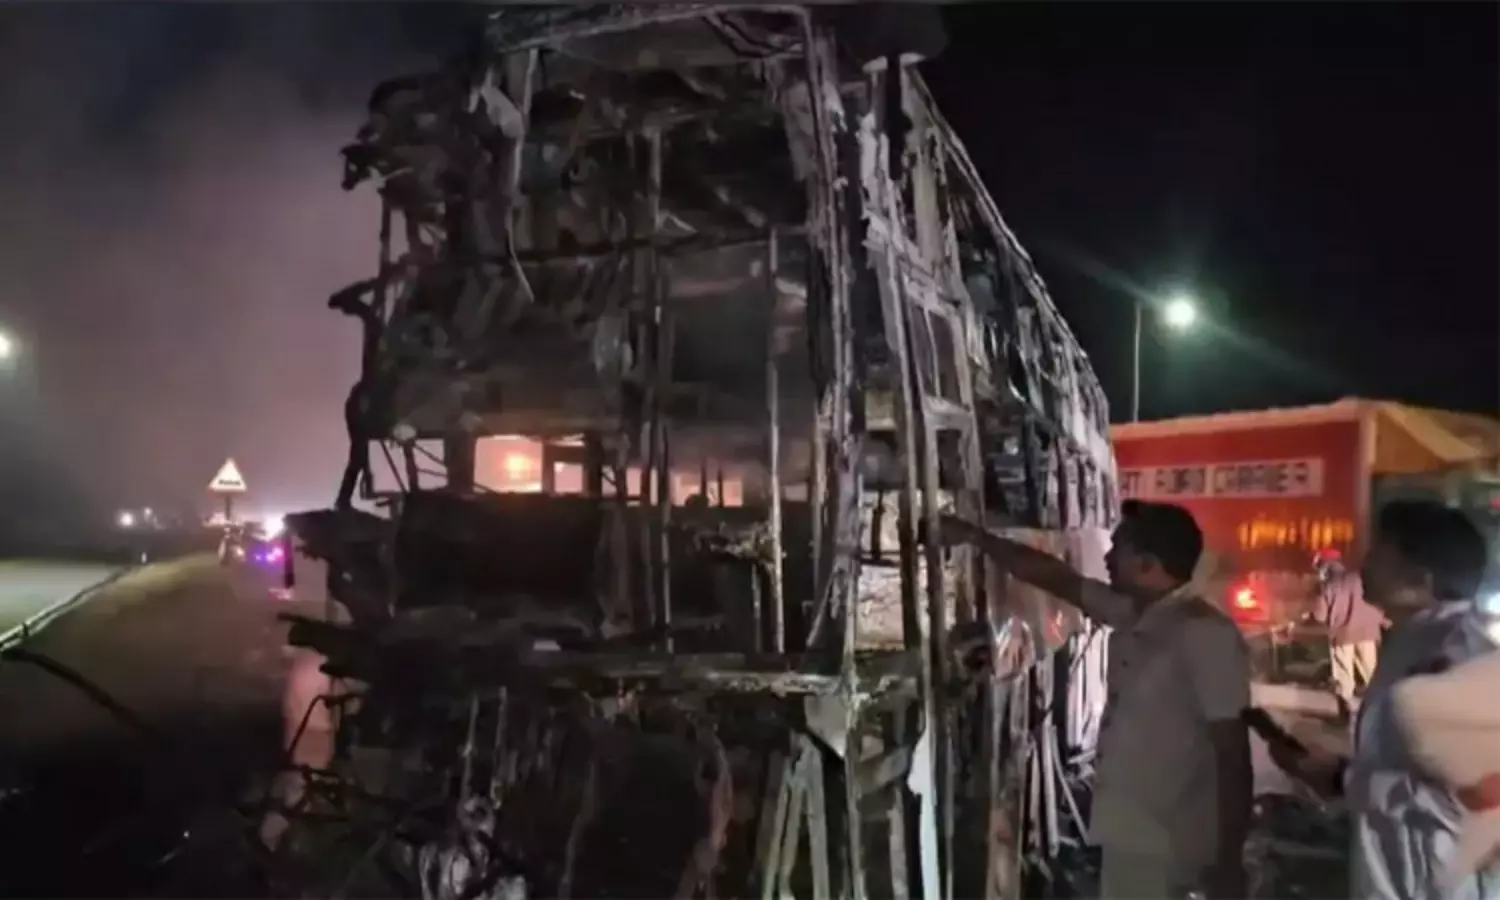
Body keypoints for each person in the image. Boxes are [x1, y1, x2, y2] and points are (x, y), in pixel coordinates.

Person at [941, 500, 1251, 899]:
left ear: (1148, 564)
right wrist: (975, 537)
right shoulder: (1135, 613)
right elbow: (1059, 579)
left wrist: (1230, 862)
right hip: (1132, 835)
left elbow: (1233, 754)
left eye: (1117, 549)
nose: (1106, 557)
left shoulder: (1205, 634)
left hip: (1169, 845)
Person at [1267, 499, 1497, 900]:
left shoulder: (1456, 655)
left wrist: (1344, 779)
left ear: (1419, 579)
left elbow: (1476, 794)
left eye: (1379, 555)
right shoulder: (1415, 642)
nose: (1364, 565)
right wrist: (1338, 775)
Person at [1310, 547, 1386, 717]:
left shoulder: (1327, 585)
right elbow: (1376, 602)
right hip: (1368, 632)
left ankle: (1345, 712)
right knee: (1371, 674)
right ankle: (1378, 711)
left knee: (1344, 677)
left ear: (1323, 566)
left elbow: (1320, 616)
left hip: (1342, 635)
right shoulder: (1358, 578)